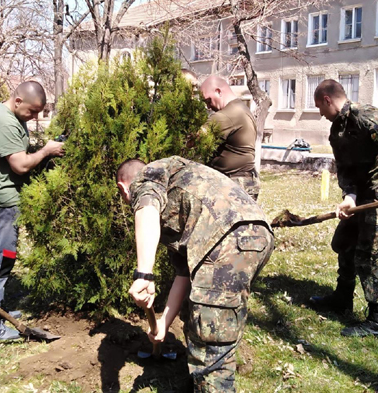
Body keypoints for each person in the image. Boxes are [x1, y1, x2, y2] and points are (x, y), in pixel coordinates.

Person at [116, 156, 274, 392]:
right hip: (257, 236)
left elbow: (146, 207)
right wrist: (163, 325)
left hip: (226, 240)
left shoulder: (146, 177)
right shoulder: (180, 191)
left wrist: (144, 275)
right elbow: (184, 274)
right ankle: (198, 380)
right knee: (198, 314)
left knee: (212, 344)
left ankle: (210, 380)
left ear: (123, 188)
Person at [310, 79, 378, 337]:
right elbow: (345, 169)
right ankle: (342, 299)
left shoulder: (365, 116)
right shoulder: (336, 130)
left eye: (319, 107)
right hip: (361, 195)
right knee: (344, 243)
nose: (320, 113)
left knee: (371, 255)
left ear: (328, 99)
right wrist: (349, 197)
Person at [0, 81, 65, 342]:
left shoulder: (11, 116)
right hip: (2, 203)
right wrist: (46, 150)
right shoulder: (4, 122)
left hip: (7, 200)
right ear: (17, 102)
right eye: (33, 112)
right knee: (2, 259)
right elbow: (20, 165)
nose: (35, 117)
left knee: (6, 258)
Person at [199, 75, 261, 200]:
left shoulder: (226, 115)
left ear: (218, 91)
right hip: (246, 180)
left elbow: (193, 141)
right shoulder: (242, 109)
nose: (208, 107)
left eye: (208, 100)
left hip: (234, 185)